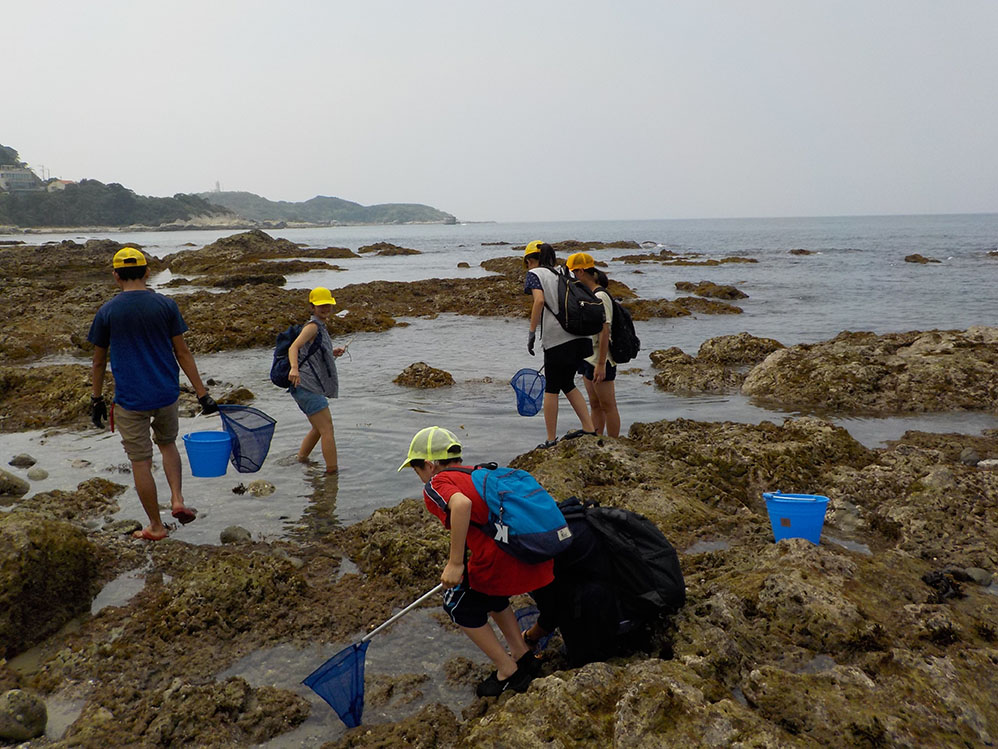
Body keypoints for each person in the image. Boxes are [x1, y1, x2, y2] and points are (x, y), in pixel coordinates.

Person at [398, 426, 550, 696]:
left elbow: (461, 505)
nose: (419, 476)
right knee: (489, 593)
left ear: (430, 466)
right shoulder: (476, 472)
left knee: (457, 604)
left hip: (498, 558)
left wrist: (455, 563)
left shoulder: (436, 484)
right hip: (517, 550)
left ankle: (509, 671)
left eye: (416, 469)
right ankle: (522, 655)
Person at [88, 246, 218, 541]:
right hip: (166, 393)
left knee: (140, 461)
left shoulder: (107, 311)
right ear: (147, 272)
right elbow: (182, 353)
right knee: (168, 445)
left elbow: (98, 361)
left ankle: (156, 526)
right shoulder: (165, 305)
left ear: (116, 275)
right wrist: (202, 394)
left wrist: (96, 399)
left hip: (130, 399)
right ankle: (177, 499)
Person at [522, 497, 621, 667]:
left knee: (581, 660)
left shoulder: (542, 551)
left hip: (599, 610)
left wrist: (529, 637)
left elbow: (550, 616)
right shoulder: (570, 519)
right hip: (621, 595)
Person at [523, 241, 596, 448]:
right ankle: (589, 428)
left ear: (530, 260)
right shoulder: (565, 271)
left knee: (552, 387)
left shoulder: (535, 274)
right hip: (580, 336)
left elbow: (539, 301)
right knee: (567, 383)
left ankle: (550, 439)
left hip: (557, 339)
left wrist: (531, 333)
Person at [287, 287, 345, 474]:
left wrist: (331, 353)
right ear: (312, 307)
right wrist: (294, 369)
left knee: (318, 428)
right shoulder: (312, 327)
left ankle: (301, 459)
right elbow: (293, 347)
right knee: (327, 429)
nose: (325, 308)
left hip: (306, 386)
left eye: (327, 305)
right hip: (306, 385)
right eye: (320, 305)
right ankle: (332, 474)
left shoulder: (320, 327)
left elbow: (312, 354)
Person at [566, 252, 621, 437]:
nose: (571, 276)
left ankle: (614, 443)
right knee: (595, 404)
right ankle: (596, 439)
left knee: (608, 406)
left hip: (601, 359)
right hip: (588, 357)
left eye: (573, 272)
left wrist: (601, 364)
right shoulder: (587, 294)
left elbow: (605, 331)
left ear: (581, 272)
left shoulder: (601, 296)